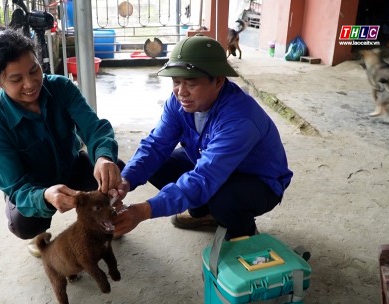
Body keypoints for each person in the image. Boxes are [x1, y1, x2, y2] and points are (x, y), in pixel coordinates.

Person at [112, 35, 293, 240]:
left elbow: (204, 177)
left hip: (258, 181)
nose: (181, 92)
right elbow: (156, 145)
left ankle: (244, 232)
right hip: (210, 163)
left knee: (222, 199)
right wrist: (126, 180)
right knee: (157, 164)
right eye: (176, 82)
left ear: (218, 80)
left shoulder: (239, 120)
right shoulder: (178, 102)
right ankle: (205, 213)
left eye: (191, 83)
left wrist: (142, 211)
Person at [0, 28, 123, 257]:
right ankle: (39, 232)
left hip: (72, 166)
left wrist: (104, 157)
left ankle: (101, 217)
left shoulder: (61, 87)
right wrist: (45, 196)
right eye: (16, 79)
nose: (30, 84)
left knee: (114, 170)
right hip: (35, 186)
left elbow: (94, 129)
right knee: (23, 222)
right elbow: (15, 186)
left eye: (34, 70)